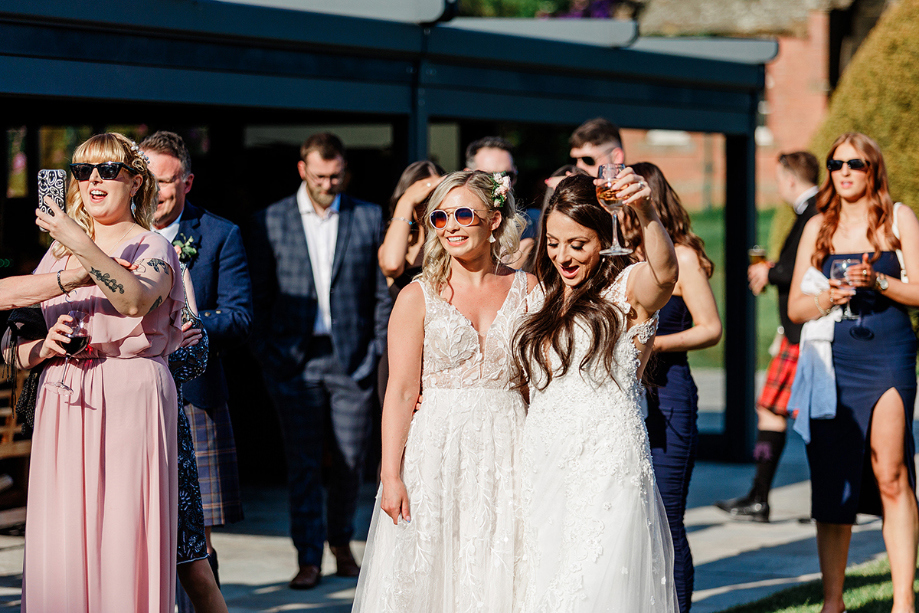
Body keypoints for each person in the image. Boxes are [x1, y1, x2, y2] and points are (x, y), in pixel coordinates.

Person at [352, 170, 532, 612]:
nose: (450, 226)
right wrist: (390, 475)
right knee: (432, 571)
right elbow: (399, 391)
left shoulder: (531, 289)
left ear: (494, 219)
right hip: (437, 449)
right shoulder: (418, 295)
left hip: (511, 446)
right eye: (439, 217)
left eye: (463, 214)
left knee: (501, 566)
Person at [22, 132, 185, 612]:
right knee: (64, 528)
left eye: (108, 170)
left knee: (122, 531)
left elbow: (133, 299)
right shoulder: (57, 251)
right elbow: (18, 318)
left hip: (129, 391)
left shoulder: (152, 244)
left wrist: (80, 243)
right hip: (65, 394)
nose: (94, 179)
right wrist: (39, 346)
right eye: (82, 170)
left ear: (135, 182)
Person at [514, 172, 679, 612]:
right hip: (541, 459)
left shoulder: (627, 289)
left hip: (605, 461)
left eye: (577, 244)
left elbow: (665, 272)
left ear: (603, 237)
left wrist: (644, 211)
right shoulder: (541, 298)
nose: (562, 256)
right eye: (553, 243)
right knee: (542, 582)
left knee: (592, 584)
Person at [246, 132, 392, 590]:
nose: (328, 183)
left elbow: (379, 295)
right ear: (302, 170)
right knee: (303, 464)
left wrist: (374, 353)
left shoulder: (367, 217)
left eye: (335, 175)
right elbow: (258, 299)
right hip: (294, 362)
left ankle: (342, 545)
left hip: (352, 361)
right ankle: (308, 556)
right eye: (320, 176)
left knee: (351, 463)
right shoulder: (270, 220)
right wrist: (270, 356)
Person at [787, 132, 919, 613]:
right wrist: (829, 296)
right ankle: (833, 602)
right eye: (835, 163)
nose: (844, 171)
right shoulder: (818, 225)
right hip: (833, 357)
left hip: (888, 351)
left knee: (891, 473)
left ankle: (903, 601)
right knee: (833, 476)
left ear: (873, 170)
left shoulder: (898, 218)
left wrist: (880, 280)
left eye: (855, 164)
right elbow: (797, 307)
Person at [140, 131, 252, 591]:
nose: (156, 191)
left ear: (187, 183)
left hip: (194, 397)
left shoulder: (221, 234)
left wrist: (185, 320)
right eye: (146, 178)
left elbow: (240, 318)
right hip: (129, 393)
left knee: (195, 537)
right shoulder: (111, 235)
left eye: (166, 182)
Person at [624, 162, 722, 613]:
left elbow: (710, 328)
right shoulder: (619, 258)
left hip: (669, 392)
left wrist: (651, 342)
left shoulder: (679, 256)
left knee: (667, 517)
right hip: (624, 398)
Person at [715, 151, 819, 522]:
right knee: (774, 409)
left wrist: (772, 273)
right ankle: (760, 496)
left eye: (778, 179)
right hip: (797, 334)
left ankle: (805, 500)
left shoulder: (816, 211)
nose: (778, 187)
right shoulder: (811, 210)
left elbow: (807, 268)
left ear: (791, 179)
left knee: (810, 415)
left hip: (807, 334)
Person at [377, 160, 445, 403]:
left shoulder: (449, 239)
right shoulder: (397, 241)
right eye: (423, 196)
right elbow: (393, 265)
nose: (427, 203)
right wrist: (406, 203)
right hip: (401, 359)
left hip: (441, 355)